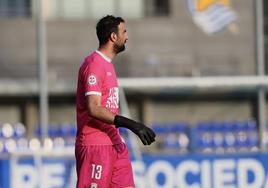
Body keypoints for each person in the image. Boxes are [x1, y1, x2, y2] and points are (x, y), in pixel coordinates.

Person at [75, 15, 156, 188]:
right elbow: (93, 108)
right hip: (96, 146)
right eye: (124, 32)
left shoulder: (108, 65)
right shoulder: (94, 64)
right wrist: (132, 124)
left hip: (115, 144)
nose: (127, 36)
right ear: (113, 37)